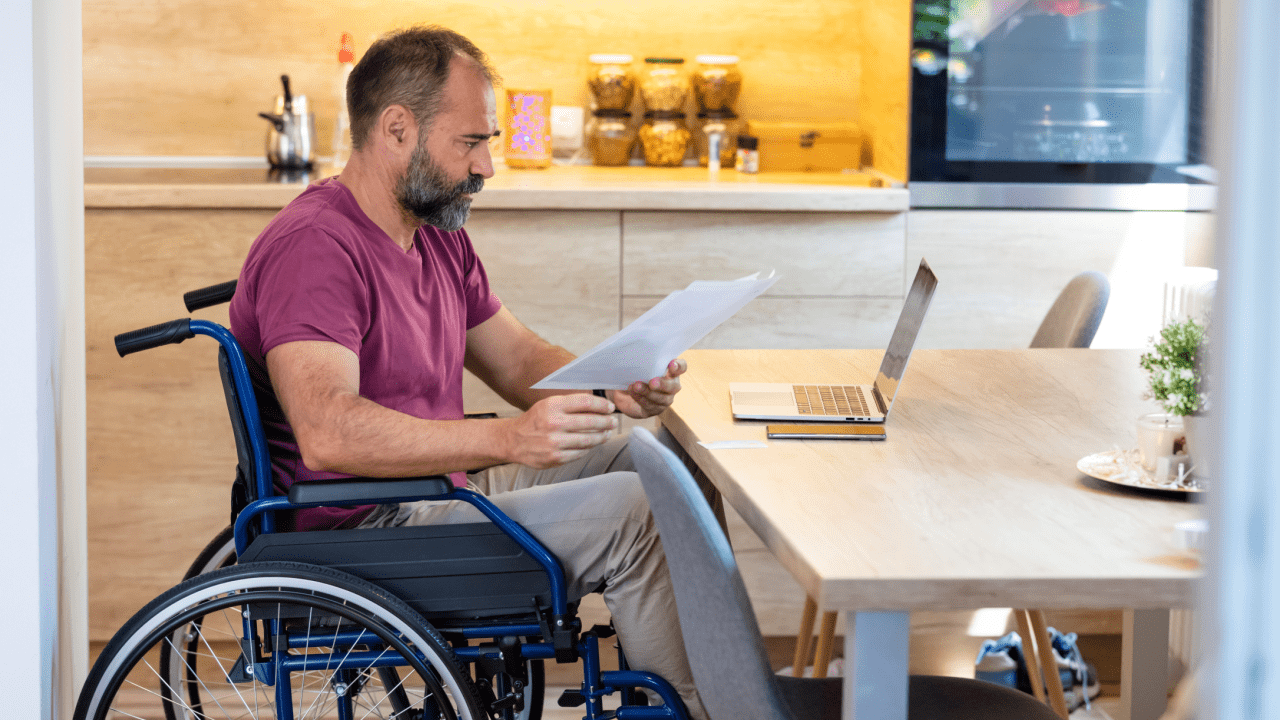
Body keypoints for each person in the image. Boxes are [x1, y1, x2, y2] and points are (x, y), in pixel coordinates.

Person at [227, 24, 710, 720]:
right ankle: (696, 711)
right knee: (638, 514)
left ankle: (688, 685)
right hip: (360, 530)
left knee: (660, 462)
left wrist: (614, 383)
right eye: (472, 141)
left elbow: (518, 360)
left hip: (433, 492)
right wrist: (512, 440)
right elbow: (328, 433)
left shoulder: (434, 236)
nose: (488, 165)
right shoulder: (316, 249)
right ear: (397, 129)